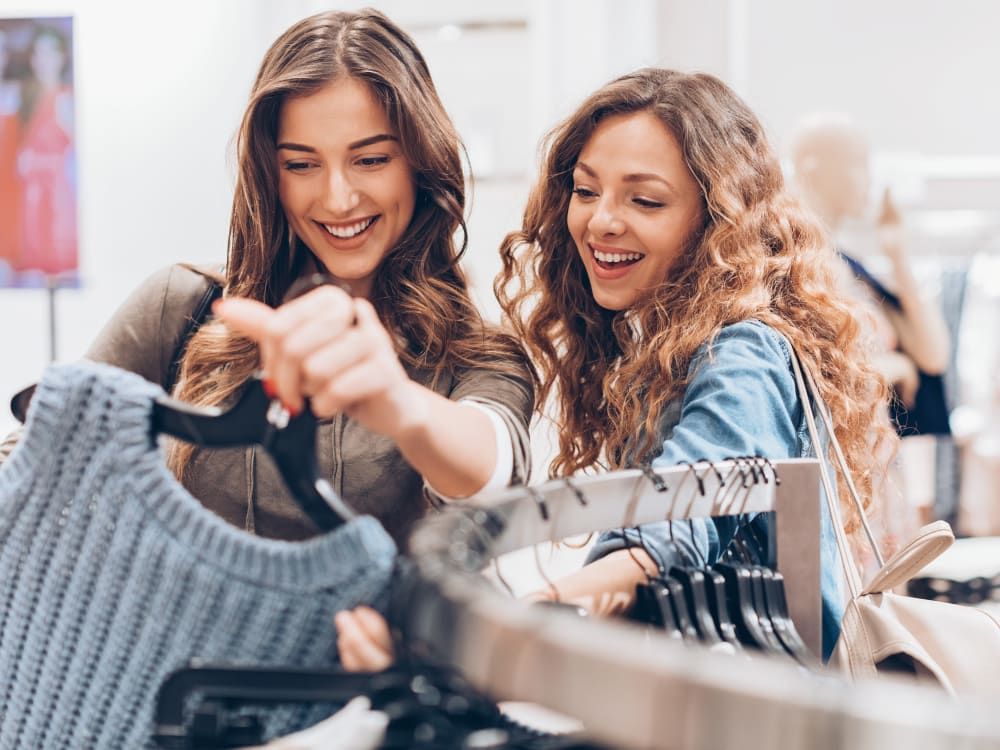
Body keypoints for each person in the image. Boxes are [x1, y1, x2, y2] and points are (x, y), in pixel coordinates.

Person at [333, 68, 896, 668]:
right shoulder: (660, 348)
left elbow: (680, 515)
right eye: (586, 190)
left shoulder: (742, 353)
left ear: (717, 220)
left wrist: (503, 630)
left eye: (645, 200)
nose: (601, 220)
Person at [0, 9, 532, 599]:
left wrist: (398, 403)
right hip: (185, 679)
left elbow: (488, 468)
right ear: (269, 174)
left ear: (420, 162)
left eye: (372, 159)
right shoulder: (184, 309)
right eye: (301, 164)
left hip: (370, 684)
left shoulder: (479, 358)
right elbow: (33, 467)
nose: (337, 197)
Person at [789, 113, 951, 527]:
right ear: (814, 168)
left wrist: (898, 254)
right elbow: (811, 379)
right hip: (840, 475)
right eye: (858, 163)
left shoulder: (847, 264)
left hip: (873, 469)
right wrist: (894, 367)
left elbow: (933, 357)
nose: (869, 178)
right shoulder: (796, 261)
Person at [16, 24, 77, 279]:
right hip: (31, 197)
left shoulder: (65, 97)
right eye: (39, 54)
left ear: (62, 56)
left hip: (56, 198)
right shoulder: (29, 99)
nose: (44, 60)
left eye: (50, 52)